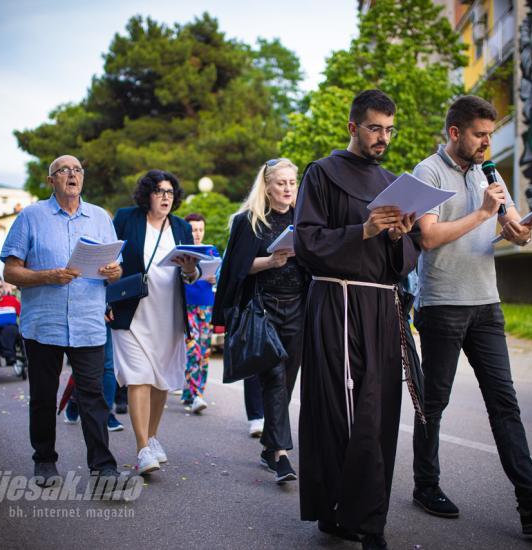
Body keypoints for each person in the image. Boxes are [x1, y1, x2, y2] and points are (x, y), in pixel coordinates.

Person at [411, 95, 532, 535]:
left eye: (490, 135)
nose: (486, 144)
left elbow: (516, 230)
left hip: (486, 304)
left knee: (505, 404)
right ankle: (425, 485)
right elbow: (429, 238)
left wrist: (521, 228)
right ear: (455, 132)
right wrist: (482, 213)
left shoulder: (489, 174)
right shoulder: (427, 172)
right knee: (433, 404)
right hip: (442, 306)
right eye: (479, 135)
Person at [293, 89, 422, 549]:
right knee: (341, 411)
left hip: (382, 307)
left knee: (379, 411)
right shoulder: (322, 174)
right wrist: (364, 229)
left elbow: (404, 262)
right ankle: (353, 517)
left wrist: (399, 236)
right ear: (353, 128)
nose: (382, 137)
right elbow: (307, 244)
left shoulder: (393, 182)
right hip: (337, 304)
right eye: (374, 128)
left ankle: (360, 512)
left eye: (389, 129)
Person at [2, 154, 129, 493]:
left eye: (77, 170)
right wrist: (47, 276)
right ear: (51, 180)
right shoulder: (31, 217)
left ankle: (103, 467)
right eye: (64, 170)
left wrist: (115, 272)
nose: (72, 175)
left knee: (93, 396)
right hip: (44, 322)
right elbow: (10, 271)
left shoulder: (100, 217)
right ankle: (44, 459)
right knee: (44, 395)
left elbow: (114, 265)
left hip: (88, 322)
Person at [214, 158, 305, 484]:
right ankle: (281, 455)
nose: (287, 189)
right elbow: (237, 268)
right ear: (266, 185)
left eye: (292, 183)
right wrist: (271, 260)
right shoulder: (248, 221)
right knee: (274, 377)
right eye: (281, 183)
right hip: (262, 310)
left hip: (298, 308)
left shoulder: (304, 219)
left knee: (287, 382)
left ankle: (269, 447)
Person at [110, 169, 200, 475]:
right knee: (139, 376)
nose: (165, 197)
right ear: (147, 194)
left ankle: (152, 436)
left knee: (161, 379)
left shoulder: (180, 228)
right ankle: (142, 448)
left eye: (170, 192)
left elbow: (191, 274)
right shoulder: (126, 218)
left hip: (169, 312)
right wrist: (105, 300)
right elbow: (109, 262)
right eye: (159, 191)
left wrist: (190, 270)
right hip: (132, 310)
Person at [181, 212, 219, 414]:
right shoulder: (181, 252)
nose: (197, 233)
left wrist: (215, 280)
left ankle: (191, 393)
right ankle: (197, 395)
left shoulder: (211, 250)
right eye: (193, 229)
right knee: (192, 348)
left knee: (204, 352)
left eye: (200, 229)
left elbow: (220, 277)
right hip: (186, 306)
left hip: (207, 307)